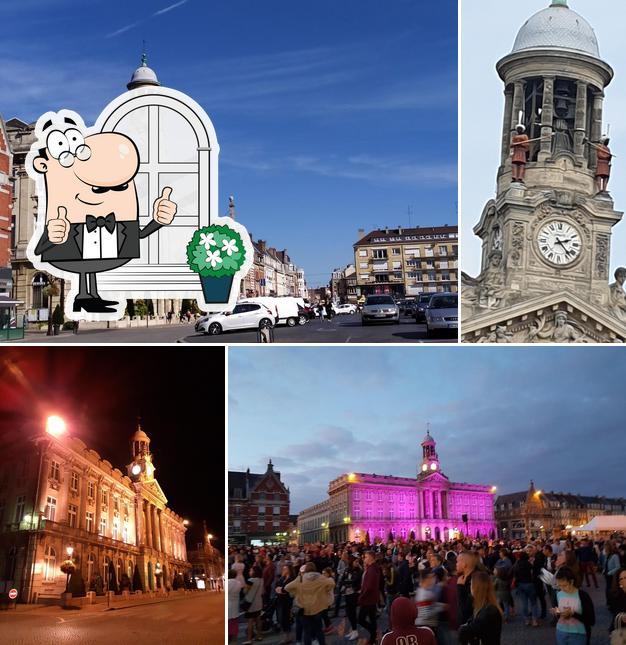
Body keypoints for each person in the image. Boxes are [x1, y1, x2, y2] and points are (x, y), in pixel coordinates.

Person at [285, 562, 335, 645]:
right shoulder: (321, 578)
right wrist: (324, 590)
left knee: (307, 632)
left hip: (304, 609)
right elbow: (331, 583)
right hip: (317, 608)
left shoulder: (300, 579)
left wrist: (297, 592)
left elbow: (287, 587)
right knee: (319, 631)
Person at [551, 566, 595, 645]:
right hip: (561, 632)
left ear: (571, 582)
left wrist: (573, 614)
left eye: (564, 585)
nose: (562, 588)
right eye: (559, 585)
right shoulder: (558, 594)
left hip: (578, 634)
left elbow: (591, 620)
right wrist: (556, 612)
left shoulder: (583, 595)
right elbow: (558, 612)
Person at [458, 570, 503, 645]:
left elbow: (464, 632)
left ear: (476, 587)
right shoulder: (484, 606)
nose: (470, 587)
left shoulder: (489, 611)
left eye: (471, 584)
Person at [358, 550, 381, 645]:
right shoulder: (372, 568)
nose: (364, 559)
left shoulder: (372, 569)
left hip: (368, 599)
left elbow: (369, 586)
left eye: (366, 557)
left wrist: (361, 596)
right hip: (371, 598)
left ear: (371, 557)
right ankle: (372, 638)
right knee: (372, 618)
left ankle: (373, 632)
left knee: (361, 619)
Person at [512, 550, 539, 627]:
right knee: (533, 603)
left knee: (524, 603)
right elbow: (533, 574)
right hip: (530, 584)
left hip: (520, 585)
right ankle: (534, 620)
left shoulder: (517, 565)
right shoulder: (529, 565)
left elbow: (514, 574)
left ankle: (526, 619)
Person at [340, 555, 362, 641]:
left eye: (357, 562)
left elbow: (355, 581)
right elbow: (342, 580)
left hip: (354, 594)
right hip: (347, 593)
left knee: (352, 612)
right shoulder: (347, 569)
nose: (357, 563)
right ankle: (353, 629)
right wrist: (347, 583)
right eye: (355, 561)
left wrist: (347, 582)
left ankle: (355, 630)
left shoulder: (359, 570)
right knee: (349, 612)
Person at [242, 565, 264, 645]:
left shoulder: (250, 580)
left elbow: (245, 591)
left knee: (250, 621)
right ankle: (259, 635)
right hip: (259, 602)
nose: (249, 572)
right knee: (258, 620)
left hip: (250, 604)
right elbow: (262, 591)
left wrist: (245, 588)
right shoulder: (261, 580)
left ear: (254, 572)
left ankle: (249, 639)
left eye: (251, 570)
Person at [275, 564, 296, 645]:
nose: (284, 570)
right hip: (281, 600)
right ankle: (287, 635)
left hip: (288, 601)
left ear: (289, 570)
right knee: (281, 618)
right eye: (283, 568)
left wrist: (282, 590)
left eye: (285, 569)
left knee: (286, 618)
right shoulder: (282, 578)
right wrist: (281, 590)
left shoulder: (292, 579)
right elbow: (277, 586)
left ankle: (287, 636)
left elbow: (288, 589)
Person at [457, 551, 478, 626]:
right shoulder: (462, 578)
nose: (456, 564)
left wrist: (460, 587)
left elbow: (466, 609)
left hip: (471, 624)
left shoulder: (474, 580)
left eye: (457, 562)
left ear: (464, 564)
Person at [608, 568, 626, 635]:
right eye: (621, 579)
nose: (624, 580)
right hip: (622, 632)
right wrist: (622, 617)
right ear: (619, 583)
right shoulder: (617, 596)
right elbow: (616, 614)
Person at [228, 569, 243, 642]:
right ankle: (234, 639)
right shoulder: (239, 583)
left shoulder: (228, 583)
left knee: (228, 622)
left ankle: (228, 637)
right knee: (234, 623)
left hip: (228, 605)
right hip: (235, 605)